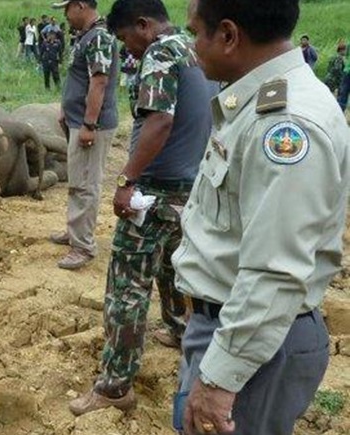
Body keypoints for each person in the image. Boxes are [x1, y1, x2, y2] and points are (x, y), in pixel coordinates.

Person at [174, 1, 350, 434]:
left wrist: (218, 379)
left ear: (229, 35)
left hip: (255, 345)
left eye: (196, 32)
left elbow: (274, 271)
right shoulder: (257, 102)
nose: (193, 47)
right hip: (234, 332)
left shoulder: (286, 125)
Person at [67, 0, 217, 416]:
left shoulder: (159, 53)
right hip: (188, 189)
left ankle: (115, 387)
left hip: (152, 193)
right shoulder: (193, 50)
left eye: (125, 39)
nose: (126, 49)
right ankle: (178, 329)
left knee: (127, 290)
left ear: (143, 25)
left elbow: (159, 121)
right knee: (175, 269)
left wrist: (126, 179)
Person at [48, 0, 119, 271]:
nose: (65, 16)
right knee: (78, 179)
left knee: (86, 184)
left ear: (79, 5)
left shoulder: (98, 37)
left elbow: (99, 82)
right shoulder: (86, 36)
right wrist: (68, 111)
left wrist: (90, 123)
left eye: (66, 10)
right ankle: (75, 232)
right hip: (79, 120)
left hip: (92, 125)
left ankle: (83, 246)